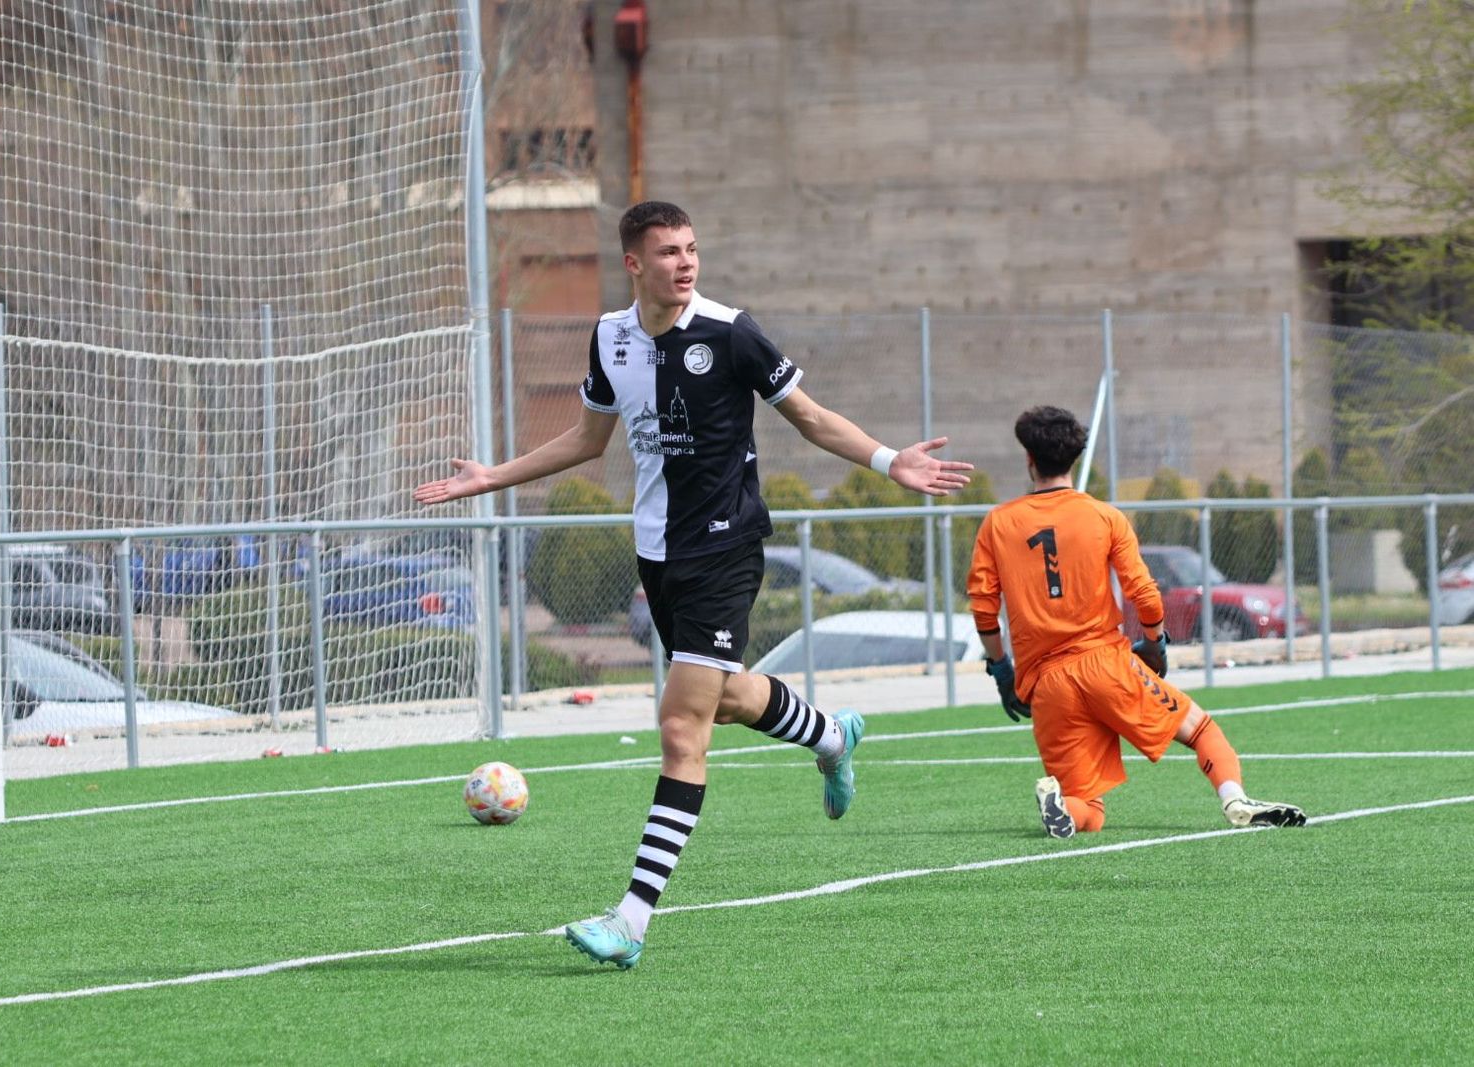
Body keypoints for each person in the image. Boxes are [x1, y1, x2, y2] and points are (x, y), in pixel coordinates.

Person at [414, 201, 974, 968]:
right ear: (634, 264)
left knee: (682, 728)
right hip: (659, 554)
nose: (686, 262)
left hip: (726, 548)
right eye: (668, 252)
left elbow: (808, 417)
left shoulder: (730, 331)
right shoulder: (610, 336)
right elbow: (587, 438)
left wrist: (887, 460)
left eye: (692, 249)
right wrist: (492, 477)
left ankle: (631, 921)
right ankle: (833, 736)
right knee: (732, 694)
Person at [965, 405, 1306, 838]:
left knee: (1088, 808)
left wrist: (1001, 671)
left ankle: (1062, 807)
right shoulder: (1105, 517)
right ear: (1071, 459)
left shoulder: (998, 523)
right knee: (1200, 728)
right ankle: (1235, 799)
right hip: (1105, 664)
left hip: (1048, 683)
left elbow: (983, 606)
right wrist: (1155, 643)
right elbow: (1144, 592)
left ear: (1029, 459)